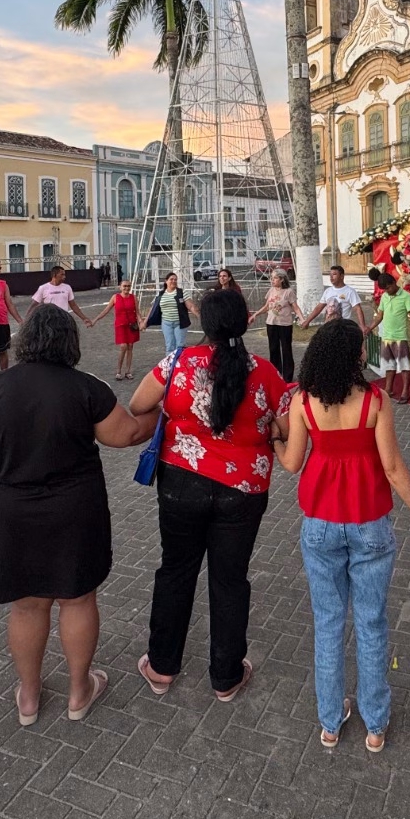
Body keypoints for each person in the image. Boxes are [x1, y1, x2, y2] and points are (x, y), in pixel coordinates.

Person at [0, 306, 155, 725]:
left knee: (27, 605)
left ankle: (30, 697)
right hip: (76, 507)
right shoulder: (86, 387)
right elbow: (126, 434)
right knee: (78, 597)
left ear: (25, 340)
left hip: (14, 510)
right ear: (70, 342)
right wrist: (160, 408)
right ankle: (78, 691)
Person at [280, 320, 410, 751]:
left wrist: (272, 442)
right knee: (371, 621)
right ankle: (375, 725)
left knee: (328, 621)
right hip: (370, 521)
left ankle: (330, 721)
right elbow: (393, 469)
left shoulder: (303, 401)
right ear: (357, 355)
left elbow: (291, 464)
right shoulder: (375, 400)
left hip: (319, 522)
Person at [129, 289, 291, 703]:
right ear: (245, 322)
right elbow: (290, 425)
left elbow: (137, 403)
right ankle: (226, 675)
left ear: (204, 322)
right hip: (244, 490)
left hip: (182, 482)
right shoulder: (267, 373)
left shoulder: (178, 362)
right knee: (230, 579)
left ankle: (162, 666)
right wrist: (268, 430)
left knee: (176, 571)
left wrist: (173, 412)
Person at [370, 272, 410, 404]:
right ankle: (388, 389)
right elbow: (379, 315)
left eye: (388, 288)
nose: (387, 291)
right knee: (389, 365)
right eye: (384, 289)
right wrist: (369, 327)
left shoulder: (406, 297)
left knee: (404, 365)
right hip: (386, 337)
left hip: (401, 337)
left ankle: (405, 391)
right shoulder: (384, 296)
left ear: (394, 283)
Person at [249, 268, 301, 382]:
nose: (272, 280)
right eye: (271, 278)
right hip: (271, 323)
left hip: (285, 324)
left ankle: (287, 377)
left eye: (275, 278)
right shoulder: (271, 290)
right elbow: (267, 306)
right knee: (273, 349)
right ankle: (276, 374)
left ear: (282, 279)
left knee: (286, 349)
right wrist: (255, 315)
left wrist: (302, 319)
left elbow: (295, 307)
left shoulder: (289, 292)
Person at [91, 279, 142, 380]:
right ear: (120, 287)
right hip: (120, 325)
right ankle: (118, 371)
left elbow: (137, 312)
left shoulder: (134, 297)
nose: (127, 288)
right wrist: (95, 319)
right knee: (123, 346)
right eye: (124, 286)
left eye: (128, 286)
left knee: (130, 346)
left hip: (132, 325)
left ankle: (127, 371)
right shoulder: (115, 297)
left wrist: (141, 322)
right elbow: (106, 310)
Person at [144, 272, 194, 357]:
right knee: (169, 346)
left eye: (175, 279)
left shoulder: (181, 292)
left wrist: (200, 316)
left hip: (180, 323)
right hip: (166, 323)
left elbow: (191, 306)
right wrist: (145, 322)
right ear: (166, 281)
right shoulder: (161, 294)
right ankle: (169, 366)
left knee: (180, 345)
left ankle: (180, 365)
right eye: (171, 279)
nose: (173, 281)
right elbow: (152, 308)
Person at [301, 265, 365, 329]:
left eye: (334, 274)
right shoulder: (328, 291)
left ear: (342, 276)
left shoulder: (350, 291)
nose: (331, 277)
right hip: (328, 327)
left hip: (343, 327)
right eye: (330, 275)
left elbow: (357, 309)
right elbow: (318, 308)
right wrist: (307, 321)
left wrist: (362, 326)